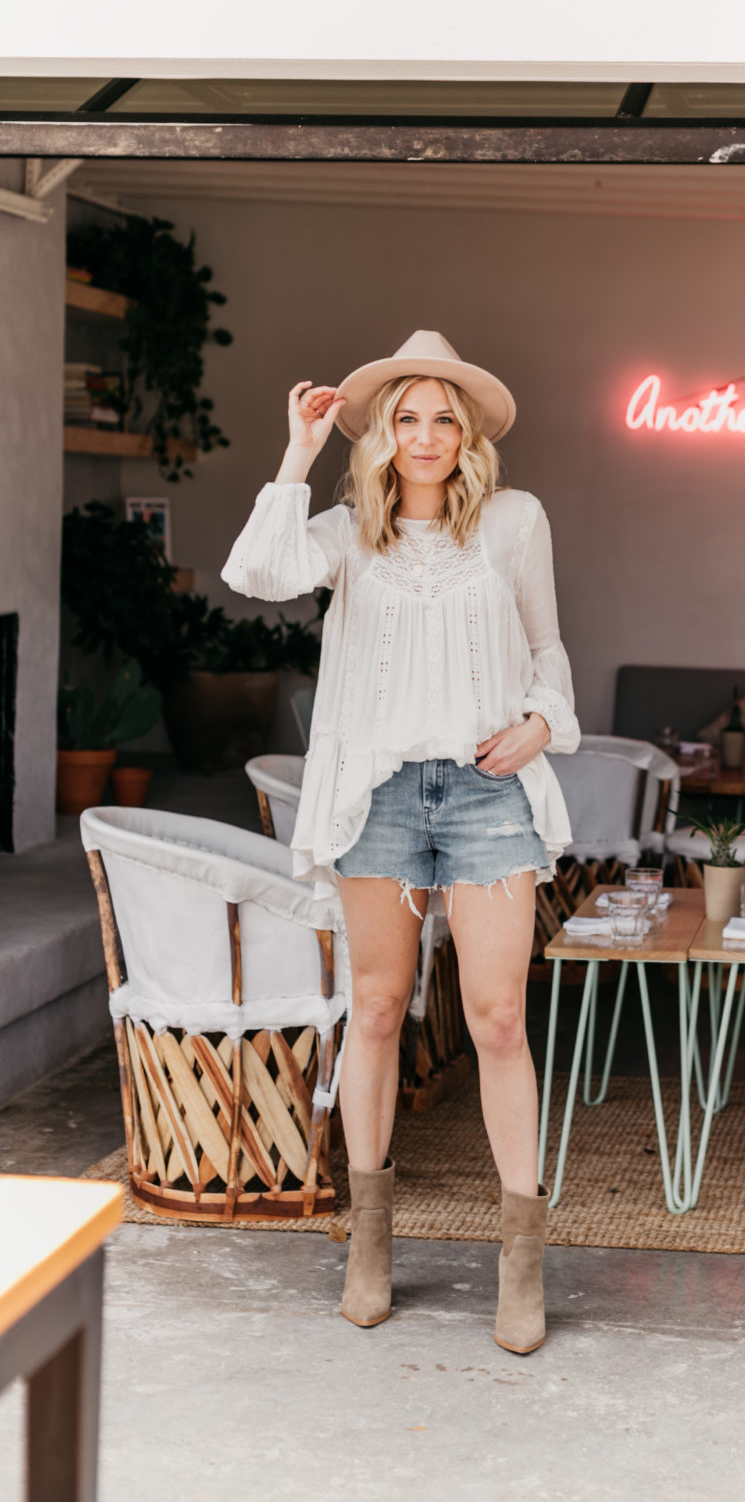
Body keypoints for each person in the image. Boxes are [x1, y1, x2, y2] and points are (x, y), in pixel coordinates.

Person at [221, 329, 578, 1354]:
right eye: (407, 418)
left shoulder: (514, 523)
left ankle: (521, 1263)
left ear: (469, 435)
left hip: (486, 793)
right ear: (381, 434)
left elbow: (549, 644)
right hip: (376, 798)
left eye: (444, 417)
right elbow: (257, 570)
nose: (426, 435)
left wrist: (545, 721)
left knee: (499, 1018)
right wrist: (297, 449)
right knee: (374, 1010)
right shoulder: (346, 532)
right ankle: (370, 1245)